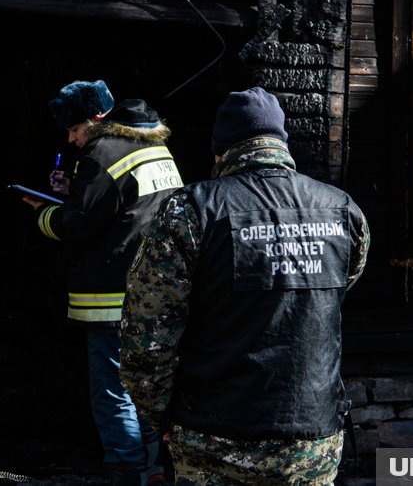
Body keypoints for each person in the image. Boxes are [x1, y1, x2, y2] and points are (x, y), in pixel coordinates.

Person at [119, 86, 370, 485]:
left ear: (220, 151)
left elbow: (146, 339)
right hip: (314, 440)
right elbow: (339, 289)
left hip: (213, 438)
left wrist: (161, 416)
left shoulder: (192, 210)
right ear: (280, 142)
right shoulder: (342, 210)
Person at [22, 79, 184, 485]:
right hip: (159, 294)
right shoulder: (157, 148)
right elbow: (130, 209)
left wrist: (44, 212)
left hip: (111, 295)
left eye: (74, 129)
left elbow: (79, 226)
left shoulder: (101, 151)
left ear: (94, 120)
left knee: (113, 390)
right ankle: (154, 469)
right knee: (148, 386)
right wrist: (73, 192)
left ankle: (126, 470)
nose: (72, 139)